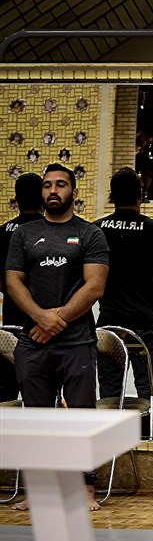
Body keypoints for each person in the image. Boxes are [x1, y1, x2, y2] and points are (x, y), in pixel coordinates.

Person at [5, 164, 109, 510]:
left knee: (81, 418)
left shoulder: (91, 233)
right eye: (48, 185)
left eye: (61, 184)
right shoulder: (24, 234)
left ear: (73, 192)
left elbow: (94, 286)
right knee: (38, 420)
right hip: (33, 342)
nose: (53, 190)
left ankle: (85, 490)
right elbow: (13, 282)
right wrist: (39, 317)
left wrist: (56, 320)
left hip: (76, 342)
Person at [96, 167, 153, 437]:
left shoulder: (96, 230)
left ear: (112, 196)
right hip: (147, 322)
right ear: (141, 195)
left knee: (110, 393)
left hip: (110, 323)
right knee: (150, 392)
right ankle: (149, 443)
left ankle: (112, 449)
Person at [0, 172, 45, 402]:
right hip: (45, 322)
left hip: (12, 318)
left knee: (7, 386)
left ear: (16, 199)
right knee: (42, 388)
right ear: (43, 197)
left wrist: (15, 293)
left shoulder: (2, 231)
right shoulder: (50, 231)